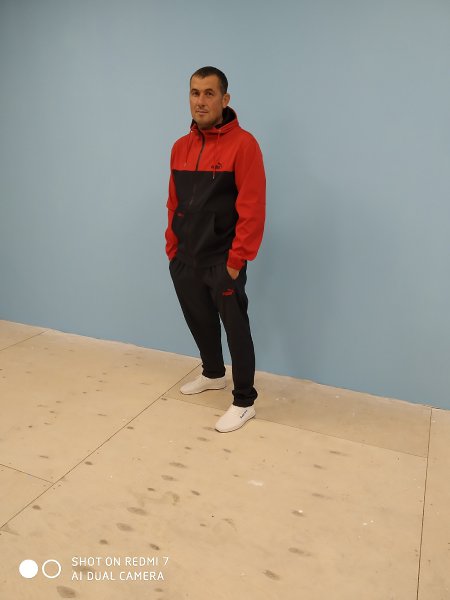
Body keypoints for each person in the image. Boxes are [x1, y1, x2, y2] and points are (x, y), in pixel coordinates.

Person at [165, 66, 266, 433]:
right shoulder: (180, 147)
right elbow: (174, 202)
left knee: (235, 329)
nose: (201, 101)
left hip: (223, 260)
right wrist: (172, 248)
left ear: (225, 99)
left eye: (209, 93)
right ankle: (212, 373)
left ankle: (244, 401)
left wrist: (236, 261)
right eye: (195, 93)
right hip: (185, 258)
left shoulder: (244, 145)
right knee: (200, 320)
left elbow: (252, 208)